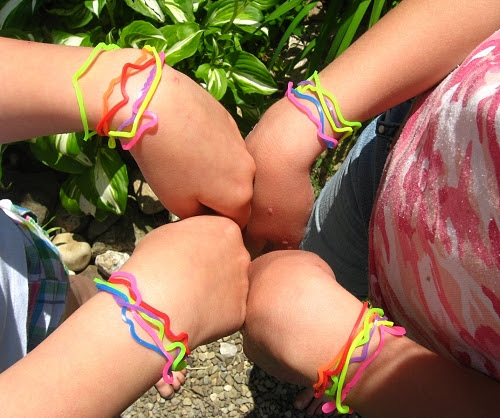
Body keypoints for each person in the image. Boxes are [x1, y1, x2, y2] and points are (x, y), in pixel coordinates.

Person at [242, 0, 500, 415]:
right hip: (400, 154)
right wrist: (302, 121)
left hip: (469, 362)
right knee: (308, 269)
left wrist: (358, 366)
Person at [0, 35, 255, 400]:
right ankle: (100, 356)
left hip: (21, 260)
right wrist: (134, 332)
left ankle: (89, 316)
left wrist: (130, 89)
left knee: (73, 295)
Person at [0, 215, 250, 416]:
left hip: (25, 260)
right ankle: (136, 356)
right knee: (92, 382)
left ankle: (125, 335)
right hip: (16, 362)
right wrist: (160, 308)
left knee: (79, 294)